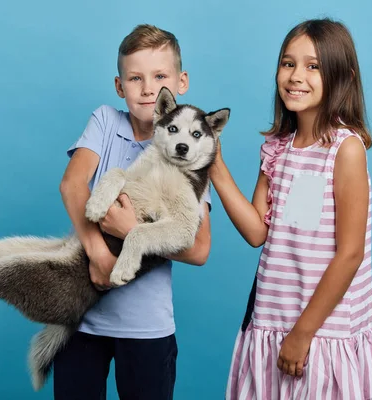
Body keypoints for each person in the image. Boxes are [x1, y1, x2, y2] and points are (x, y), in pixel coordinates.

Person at [211, 18, 372, 399]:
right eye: (288, 63)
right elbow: (259, 231)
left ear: (343, 76)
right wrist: (217, 169)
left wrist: (303, 333)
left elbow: (350, 253)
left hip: (320, 334)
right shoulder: (277, 149)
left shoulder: (344, 150)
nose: (295, 76)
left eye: (313, 66)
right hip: (271, 324)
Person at [56, 24, 212, 400]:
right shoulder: (106, 121)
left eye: (160, 76)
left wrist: (130, 231)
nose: (148, 89)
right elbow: (73, 185)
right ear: (119, 85)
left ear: (181, 81)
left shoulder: (189, 150)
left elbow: (199, 248)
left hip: (146, 326)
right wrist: (97, 254)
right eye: (135, 78)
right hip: (83, 315)